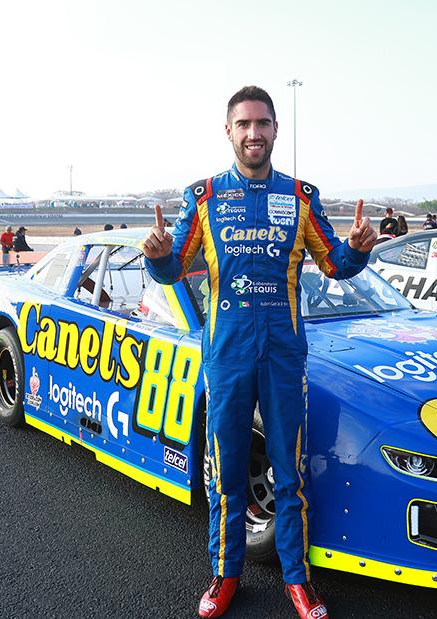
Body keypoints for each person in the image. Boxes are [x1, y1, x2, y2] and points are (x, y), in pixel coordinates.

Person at [143, 85, 376, 619]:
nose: (254, 133)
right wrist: (157, 260)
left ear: (276, 130)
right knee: (225, 469)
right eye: (244, 124)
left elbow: (335, 264)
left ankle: (298, 580)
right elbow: (174, 266)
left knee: (287, 472)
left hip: (283, 353)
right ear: (228, 131)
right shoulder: (203, 197)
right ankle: (225, 574)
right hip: (226, 353)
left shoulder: (299, 196)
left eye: (263, 123)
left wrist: (359, 250)